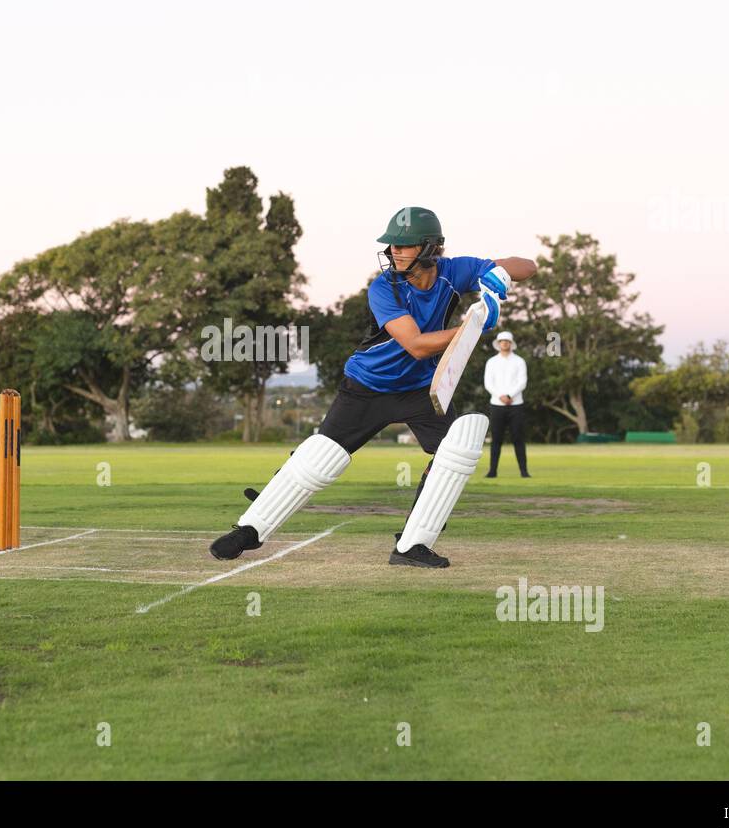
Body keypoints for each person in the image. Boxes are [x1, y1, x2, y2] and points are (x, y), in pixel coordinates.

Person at [209, 206, 536, 568]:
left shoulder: (454, 271)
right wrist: (475, 323)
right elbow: (416, 344)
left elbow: (528, 266)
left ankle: (413, 543)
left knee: (454, 452)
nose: (394, 252)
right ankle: (249, 530)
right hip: (367, 386)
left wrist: (500, 275)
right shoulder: (383, 288)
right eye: (392, 246)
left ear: (429, 248)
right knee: (318, 459)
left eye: (404, 245)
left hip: (421, 390)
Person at [483, 330, 530, 478]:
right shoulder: (491, 362)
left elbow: (522, 382)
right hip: (497, 405)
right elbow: (488, 383)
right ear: (498, 344)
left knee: (518, 439)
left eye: (507, 341)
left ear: (511, 343)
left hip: (516, 405)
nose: (504, 344)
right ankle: (492, 471)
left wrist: (510, 395)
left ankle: (524, 471)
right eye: (502, 341)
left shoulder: (519, 361)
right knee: (496, 439)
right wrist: (501, 396)